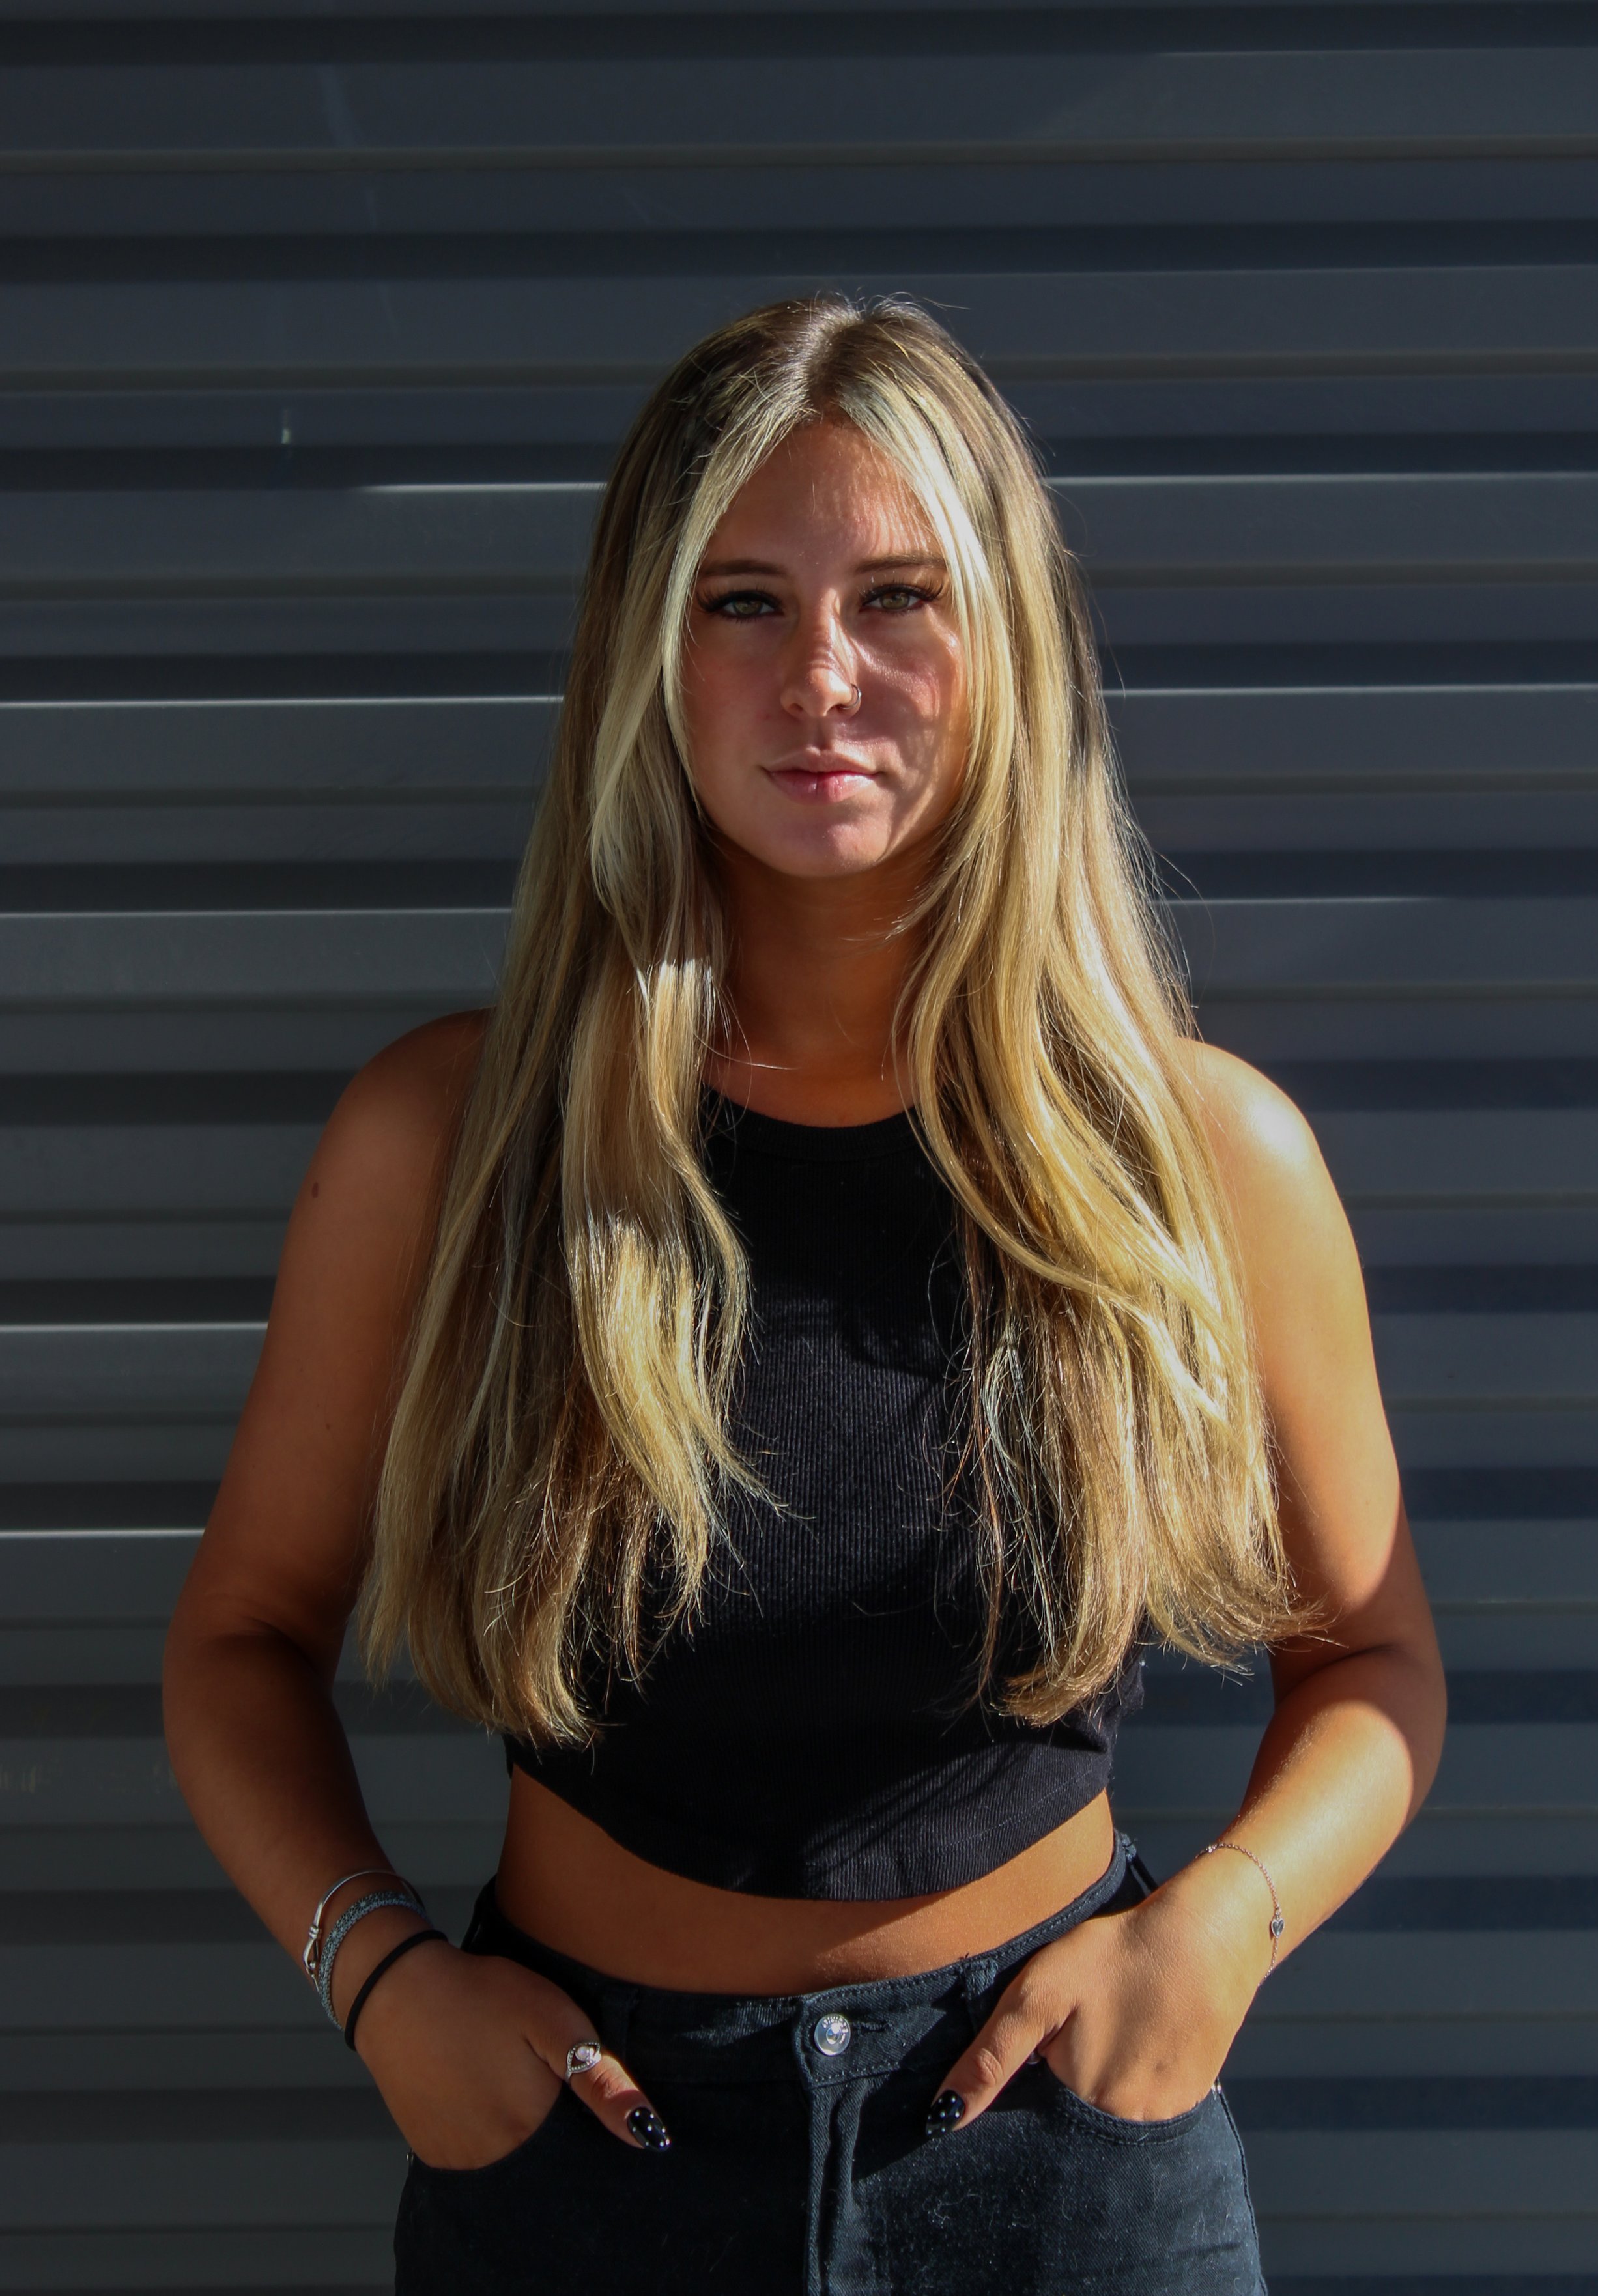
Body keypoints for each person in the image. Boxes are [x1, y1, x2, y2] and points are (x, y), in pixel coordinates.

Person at [163, 297, 1445, 2295]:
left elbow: (1371, 1666)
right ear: (642, 661)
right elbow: (238, 1642)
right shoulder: (454, 1142)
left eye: (901, 598)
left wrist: (1214, 1938)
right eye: (743, 604)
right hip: (589, 2149)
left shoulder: (1198, 1156)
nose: (822, 680)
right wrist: (384, 1984)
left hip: (1058, 2168)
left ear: (1001, 644)